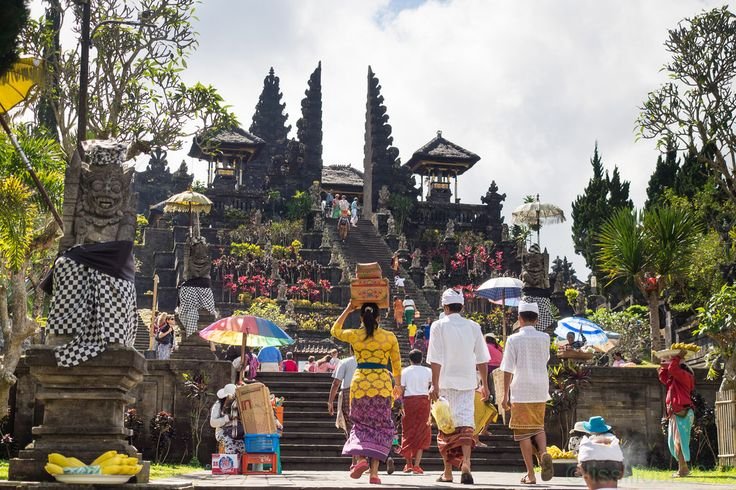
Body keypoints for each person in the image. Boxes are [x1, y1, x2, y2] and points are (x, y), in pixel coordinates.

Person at [331, 301, 402, 485]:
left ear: (362, 317)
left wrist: (348, 309)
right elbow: (396, 365)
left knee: (361, 424)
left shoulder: (355, 335)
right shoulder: (389, 337)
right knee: (380, 426)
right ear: (379, 317)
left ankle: (361, 458)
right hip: (382, 384)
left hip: (360, 384)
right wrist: (399, 386)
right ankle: (374, 474)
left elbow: (335, 330)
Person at [427, 288, 490, 485]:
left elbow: (435, 359)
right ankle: (467, 463)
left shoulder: (438, 326)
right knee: (466, 425)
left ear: (445, 306)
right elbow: (482, 359)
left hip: (445, 382)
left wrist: (434, 384)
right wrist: (485, 385)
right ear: (461, 306)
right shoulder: (473, 326)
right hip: (467, 382)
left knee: (446, 426)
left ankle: (447, 471)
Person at [500, 300, 553, 485]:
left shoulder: (514, 339)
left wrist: (504, 394)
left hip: (521, 388)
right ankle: (544, 452)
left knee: (523, 433)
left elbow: (507, 369)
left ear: (519, 318)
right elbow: (545, 359)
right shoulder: (545, 338)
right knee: (538, 426)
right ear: (537, 319)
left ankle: (531, 474)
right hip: (540, 388)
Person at [658, 355, 695, 477]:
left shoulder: (686, 377)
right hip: (677, 413)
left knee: (679, 442)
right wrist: (663, 363)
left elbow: (673, 369)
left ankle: (683, 470)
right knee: (675, 442)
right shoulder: (674, 380)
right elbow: (663, 377)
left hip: (682, 413)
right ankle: (683, 468)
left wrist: (676, 357)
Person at [399, 349, 432, 474]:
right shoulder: (428, 371)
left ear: (410, 359)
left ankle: (408, 465)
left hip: (409, 402)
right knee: (422, 431)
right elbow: (433, 385)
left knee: (407, 431)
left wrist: (398, 404)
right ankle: (417, 465)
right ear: (422, 359)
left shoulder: (405, 371)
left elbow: (401, 389)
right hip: (424, 401)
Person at [328, 350, 358, 466]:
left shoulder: (345, 362)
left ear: (351, 350)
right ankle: (364, 459)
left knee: (350, 426)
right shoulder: (369, 362)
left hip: (348, 393)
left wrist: (330, 401)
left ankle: (355, 460)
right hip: (366, 393)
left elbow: (336, 383)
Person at [210, 384, 244, 454]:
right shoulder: (218, 405)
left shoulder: (239, 404)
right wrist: (227, 418)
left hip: (238, 432)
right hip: (222, 432)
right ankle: (231, 463)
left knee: (245, 446)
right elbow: (212, 423)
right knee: (231, 445)